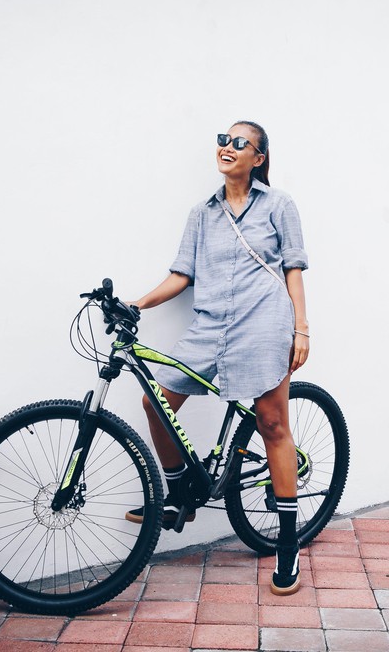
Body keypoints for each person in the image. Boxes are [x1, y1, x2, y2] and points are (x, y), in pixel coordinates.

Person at [125, 121, 309, 596]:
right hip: (210, 327)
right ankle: (181, 489)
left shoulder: (279, 205)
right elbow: (181, 275)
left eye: (239, 142)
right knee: (155, 403)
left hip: (265, 323)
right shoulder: (201, 214)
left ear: (259, 158)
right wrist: (138, 303)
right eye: (222, 140)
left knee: (272, 424)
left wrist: (301, 329)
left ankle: (287, 544)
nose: (227, 147)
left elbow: (292, 269)